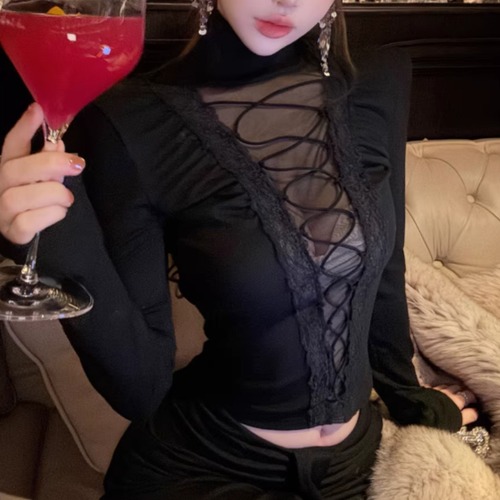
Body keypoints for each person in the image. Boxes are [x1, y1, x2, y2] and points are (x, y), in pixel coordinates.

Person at [0, 0, 479, 498]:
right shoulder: (130, 119)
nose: (288, 0)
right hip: (205, 467)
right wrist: (50, 237)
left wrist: (410, 400)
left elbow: (385, 273)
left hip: (356, 462)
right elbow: (141, 387)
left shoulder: (378, 81)